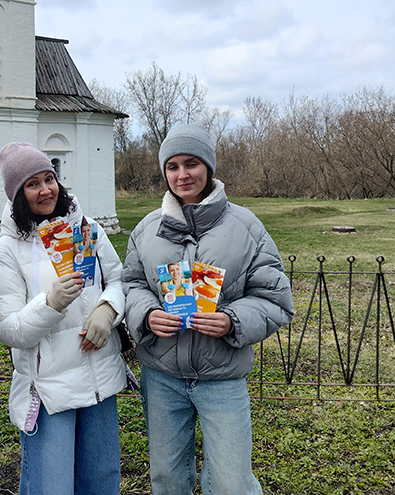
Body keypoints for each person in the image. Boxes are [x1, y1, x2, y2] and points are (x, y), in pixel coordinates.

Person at [122, 123, 294, 495]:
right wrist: (147, 314)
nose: (182, 175)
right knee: (167, 478)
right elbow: (131, 284)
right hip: (162, 376)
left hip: (222, 377)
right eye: (172, 166)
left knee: (232, 482)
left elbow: (274, 298)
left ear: (209, 168)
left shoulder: (246, 226)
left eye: (192, 164)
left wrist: (232, 320)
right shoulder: (147, 230)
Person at [0, 142, 126, 495]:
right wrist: (50, 303)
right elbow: (8, 329)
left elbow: (119, 280)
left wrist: (107, 310)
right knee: (51, 486)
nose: (45, 190)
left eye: (49, 179)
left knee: (101, 481)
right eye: (32, 184)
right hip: (50, 390)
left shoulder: (86, 228)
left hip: (98, 377)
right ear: (18, 195)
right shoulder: (8, 249)